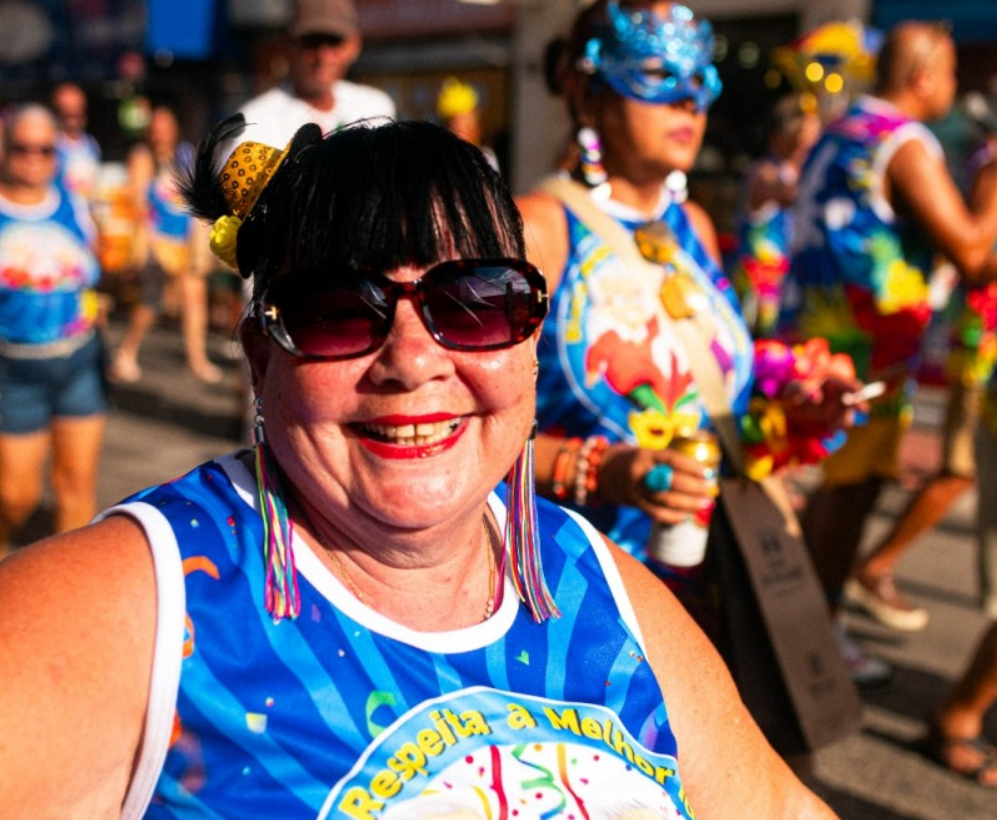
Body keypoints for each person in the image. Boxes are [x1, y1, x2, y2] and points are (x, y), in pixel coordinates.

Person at [0, 114, 841, 819]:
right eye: (337, 311)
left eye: (474, 303)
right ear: (260, 356)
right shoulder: (146, 609)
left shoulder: (597, 586)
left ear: (531, 337)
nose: (412, 360)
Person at [780, 21, 997, 675]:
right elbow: (971, 252)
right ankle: (812, 639)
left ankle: (807, 627)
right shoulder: (901, 143)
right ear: (921, 77)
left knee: (835, 487)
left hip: (825, 333)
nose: (954, 89)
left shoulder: (844, 129)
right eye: (951, 74)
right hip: (869, 347)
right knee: (853, 492)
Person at [845, 126, 997, 631]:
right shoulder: (992, 167)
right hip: (985, 345)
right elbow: (974, 258)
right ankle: (875, 565)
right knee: (958, 469)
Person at [0, 104, 107, 558]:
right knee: (15, 496)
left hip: (79, 362)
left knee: (76, 484)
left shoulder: (74, 206)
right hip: (13, 371)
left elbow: (96, 268)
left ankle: (69, 583)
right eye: (21, 147)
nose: (33, 158)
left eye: (45, 149)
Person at [108, 105, 221, 384]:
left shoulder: (184, 155)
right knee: (152, 300)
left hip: (185, 241)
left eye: (165, 125)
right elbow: (136, 199)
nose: (160, 131)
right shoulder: (142, 156)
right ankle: (126, 352)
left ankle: (196, 360)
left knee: (194, 296)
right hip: (156, 241)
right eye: (155, 126)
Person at [235, 0, 395, 148]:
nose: (323, 57)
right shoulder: (255, 122)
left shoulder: (376, 108)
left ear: (353, 46)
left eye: (334, 42)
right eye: (311, 43)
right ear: (287, 46)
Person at [731, 92, 821, 337]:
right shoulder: (765, 173)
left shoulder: (797, 173)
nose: (806, 147)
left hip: (785, 288)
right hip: (759, 289)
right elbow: (793, 196)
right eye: (803, 140)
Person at [50, 82, 102, 202]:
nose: (73, 114)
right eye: (66, 110)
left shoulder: (91, 144)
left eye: (78, 109)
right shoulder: (50, 144)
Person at [436, 76, 499, 172]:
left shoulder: (485, 157)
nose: (454, 128)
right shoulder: (440, 158)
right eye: (450, 122)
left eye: (459, 121)